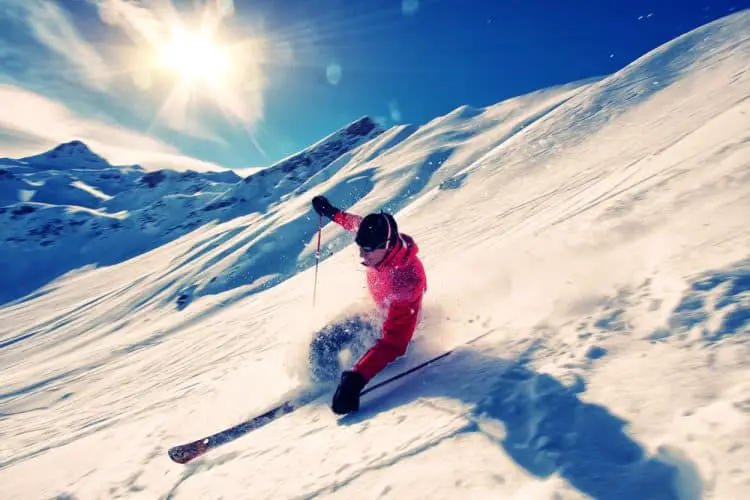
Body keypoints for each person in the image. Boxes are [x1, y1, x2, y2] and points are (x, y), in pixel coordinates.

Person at [311, 195, 427, 415]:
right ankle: (320, 387)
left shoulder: (407, 280)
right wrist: (329, 210)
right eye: (360, 247)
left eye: (366, 249)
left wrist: (356, 380)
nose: (361, 255)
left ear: (386, 245)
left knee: (358, 350)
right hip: (375, 311)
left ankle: (344, 383)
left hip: (394, 326)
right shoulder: (376, 239)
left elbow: (394, 343)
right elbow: (353, 222)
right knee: (321, 342)